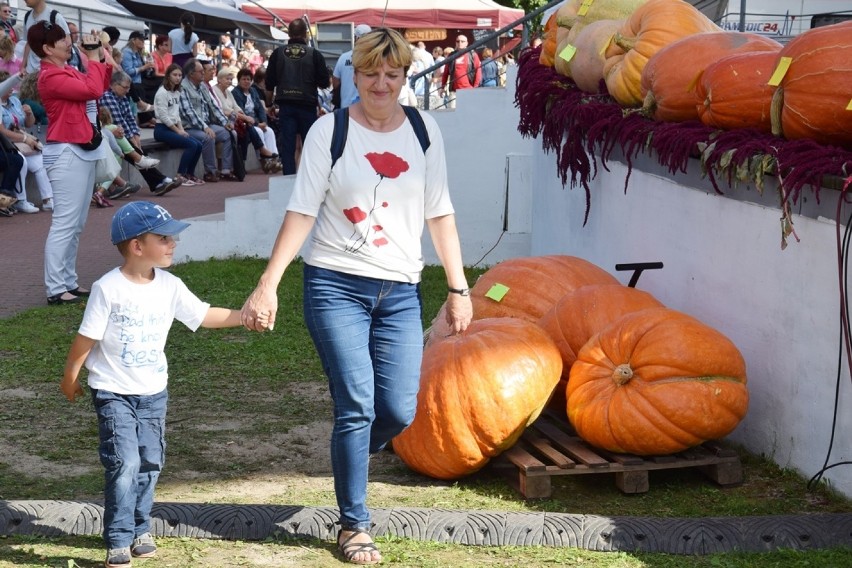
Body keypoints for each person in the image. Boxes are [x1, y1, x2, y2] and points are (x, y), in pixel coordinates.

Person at [240, 27, 472, 566]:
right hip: (335, 285)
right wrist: (267, 283)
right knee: (357, 404)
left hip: (401, 291)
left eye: (393, 74)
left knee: (396, 410)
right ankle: (354, 524)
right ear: (355, 75)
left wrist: (458, 289)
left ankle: (352, 457)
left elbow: (440, 212)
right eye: (371, 73)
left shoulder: (424, 129)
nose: (382, 83)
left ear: (404, 77)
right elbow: (300, 211)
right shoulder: (330, 131)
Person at [59, 200, 266, 568]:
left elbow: (203, 315)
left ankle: (141, 527)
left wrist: (244, 317)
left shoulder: (170, 285)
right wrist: (70, 377)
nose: (173, 243)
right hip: (113, 391)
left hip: (153, 392)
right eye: (164, 237)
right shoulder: (108, 289)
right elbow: (85, 340)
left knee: (151, 462)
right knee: (124, 462)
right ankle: (120, 537)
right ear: (137, 246)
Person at [31, 20, 113, 305]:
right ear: (47, 48)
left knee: (76, 224)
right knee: (65, 223)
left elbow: (99, 84)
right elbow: (92, 90)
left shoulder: (66, 70)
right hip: (66, 151)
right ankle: (55, 287)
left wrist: (100, 58)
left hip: (80, 148)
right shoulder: (50, 77)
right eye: (63, 40)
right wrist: (91, 60)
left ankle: (68, 282)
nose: (69, 42)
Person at [99, 69, 184, 196]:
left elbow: (130, 119)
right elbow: (118, 121)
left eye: (129, 88)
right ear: (114, 85)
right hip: (110, 135)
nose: (128, 91)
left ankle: (158, 182)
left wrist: (136, 135)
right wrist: (131, 138)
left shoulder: (123, 97)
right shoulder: (108, 97)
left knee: (135, 152)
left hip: (119, 136)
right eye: (125, 88)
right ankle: (159, 181)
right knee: (134, 153)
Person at [264, 17, 330, 175]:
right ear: (305, 34)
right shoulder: (314, 54)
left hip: (286, 106)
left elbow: (269, 83)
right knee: (310, 145)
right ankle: (309, 180)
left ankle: (289, 180)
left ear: (289, 34)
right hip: (307, 105)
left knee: (288, 146)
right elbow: (324, 83)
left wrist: (269, 105)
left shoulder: (277, 53)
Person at [0, 69, 51, 212]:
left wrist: (29, 114)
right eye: (8, 86)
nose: (11, 89)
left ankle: (48, 199)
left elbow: (28, 125)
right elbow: (2, 131)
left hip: (22, 143)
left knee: (40, 161)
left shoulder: (15, 101)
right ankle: (20, 200)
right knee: (19, 160)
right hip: (9, 144)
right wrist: (25, 138)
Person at [179, 58, 236, 183]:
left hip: (207, 124)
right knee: (208, 137)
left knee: (230, 133)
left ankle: (226, 170)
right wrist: (205, 127)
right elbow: (189, 113)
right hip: (189, 127)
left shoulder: (202, 86)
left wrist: (225, 122)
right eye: (200, 72)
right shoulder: (183, 87)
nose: (203, 74)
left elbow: (214, 106)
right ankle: (210, 172)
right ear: (191, 74)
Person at [218, 67, 280, 172]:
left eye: (248, 79)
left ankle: (274, 160)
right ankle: (265, 162)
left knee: (269, 131)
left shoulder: (253, 91)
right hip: (247, 123)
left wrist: (263, 121)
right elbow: (241, 111)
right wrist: (257, 124)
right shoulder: (236, 92)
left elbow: (260, 109)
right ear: (239, 80)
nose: (246, 82)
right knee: (259, 131)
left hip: (255, 121)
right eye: (243, 79)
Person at [153, 63, 204, 185]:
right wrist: (178, 131)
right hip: (162, 129)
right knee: (191, 145)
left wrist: (181, 129)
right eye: (174, 75)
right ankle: (179, 175)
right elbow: (164, 116)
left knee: (198, 144)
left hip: (173, 128)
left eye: (180, 75)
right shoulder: (162, 92)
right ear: (168, 76)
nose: (177, 77)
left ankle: (189, 174)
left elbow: (176, 114)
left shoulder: (176, 91)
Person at [21, 0, 70, 74]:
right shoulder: (27, 16)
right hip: (31, 71)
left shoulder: (54, 16)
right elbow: (28, 44)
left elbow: (68, 43)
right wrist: (23, 66)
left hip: (52, 71)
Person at [332, 23, 370, 110]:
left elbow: (335, 81)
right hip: (367, 108)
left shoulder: (343, 57)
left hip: (346, 106)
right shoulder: (373, 59)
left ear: (356, 38)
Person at [441, 34, 481, 110]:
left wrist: (475, 88)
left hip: (468, 90)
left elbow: (478, 71)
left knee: (468, 112)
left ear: (467, 43)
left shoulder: (473, 55)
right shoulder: (451, 55)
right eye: (458, 41)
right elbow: (446, 72)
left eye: (462, 41)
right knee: (452, 112)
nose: (460, 43)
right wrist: (443, 87)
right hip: (454, 91)